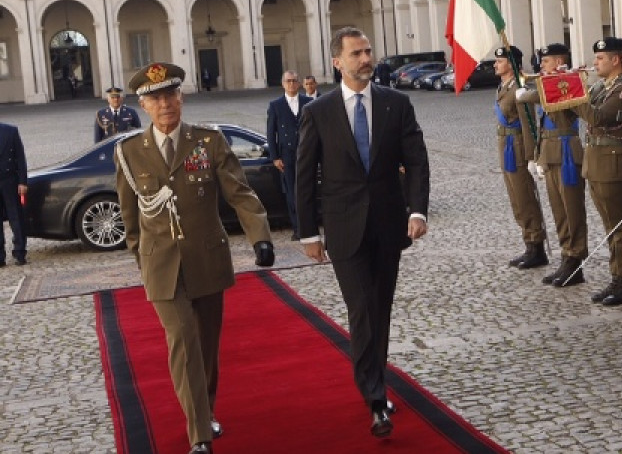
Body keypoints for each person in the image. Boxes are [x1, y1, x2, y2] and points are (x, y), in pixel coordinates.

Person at [114, 62, 275, 454]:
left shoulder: (209, 142)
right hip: (161, 266)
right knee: (183, 341)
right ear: (143, 105)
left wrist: (261, 238)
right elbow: (129, 217)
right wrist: (143, 258)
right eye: (156, 98)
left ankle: (208, 410)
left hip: (207, 259)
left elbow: (240, 194)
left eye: (171, 95)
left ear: (181, 97)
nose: (165, 104)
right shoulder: (130, 152)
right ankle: (199, 436)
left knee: (205, 346)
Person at [295, 27, 430, 438]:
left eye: (368, 51)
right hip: (344, 228)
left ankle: (375, 383)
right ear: (338, 62)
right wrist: (308, 234)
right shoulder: (319, 111)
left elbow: (418, 161)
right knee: (362, 308)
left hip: (389, 223)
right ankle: (375, 398)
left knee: (380, 307)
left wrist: (418, 210)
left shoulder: (396, 104)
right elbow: (304, 177)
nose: (365, 59)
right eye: (356, 53)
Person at [516, 43, 589, 287]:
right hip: (550, 153)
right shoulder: (551, 81)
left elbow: (531, 96)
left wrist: (530, 88)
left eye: (545, 62)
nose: (541, 67)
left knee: (572, 210)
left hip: (567, 153)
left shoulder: (566, 81)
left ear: (558, 62)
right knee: (559, 212)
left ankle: (575, 259)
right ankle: (566, 255)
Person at [575, 37, 622, 305]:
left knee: (621, 226)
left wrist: (572, 93)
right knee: (610, 226)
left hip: (613, 164)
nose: (595, 63)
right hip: (596, 162)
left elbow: (598, 117)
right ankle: (618, 277)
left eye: (600, 58)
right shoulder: (603, 86)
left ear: (615, 61)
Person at [492, 46, 549, 269]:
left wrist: (531, 156)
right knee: (516, 199)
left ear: (511, 64)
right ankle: (528, 242)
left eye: (500, 61)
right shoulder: (504, 87)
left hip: (516, 148)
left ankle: (537, 246)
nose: (496, 64)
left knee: (525, 197)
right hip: (505, 146)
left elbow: (528, 124)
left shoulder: (519, 88)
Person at [266, 70, 313, 240]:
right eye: (288, 81)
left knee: (307, 190)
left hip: (306, 153)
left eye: (294, 81)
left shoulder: (308, 102)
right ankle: (297, 229)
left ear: (299, 83)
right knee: (292, 193)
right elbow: (271, 133)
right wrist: (275, 157)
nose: (292, 84)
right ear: (283, 84)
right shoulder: (275, 105)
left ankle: (309, 227)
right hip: (286, 154)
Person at [0, 122, 28, 266]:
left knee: (16, 218)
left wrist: (23, 182)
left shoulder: (11, 131)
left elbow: (20, 158)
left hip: (9, 180)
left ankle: (20, 252)